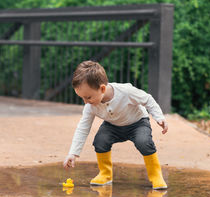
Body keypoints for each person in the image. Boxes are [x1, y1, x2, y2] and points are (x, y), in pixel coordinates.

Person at [63, 60, 168, 190]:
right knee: (100, 140)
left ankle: (156, 176)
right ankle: (105, 174)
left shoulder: (126, 92)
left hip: (137, 123)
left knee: (144, 142)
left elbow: (147, 99)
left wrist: (159, 117)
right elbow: (83, 128)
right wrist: (73, 153)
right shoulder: (90, 106)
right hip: (112, 126)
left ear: (102, 88)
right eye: (82, 98)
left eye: (88, 97)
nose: (86, 102)